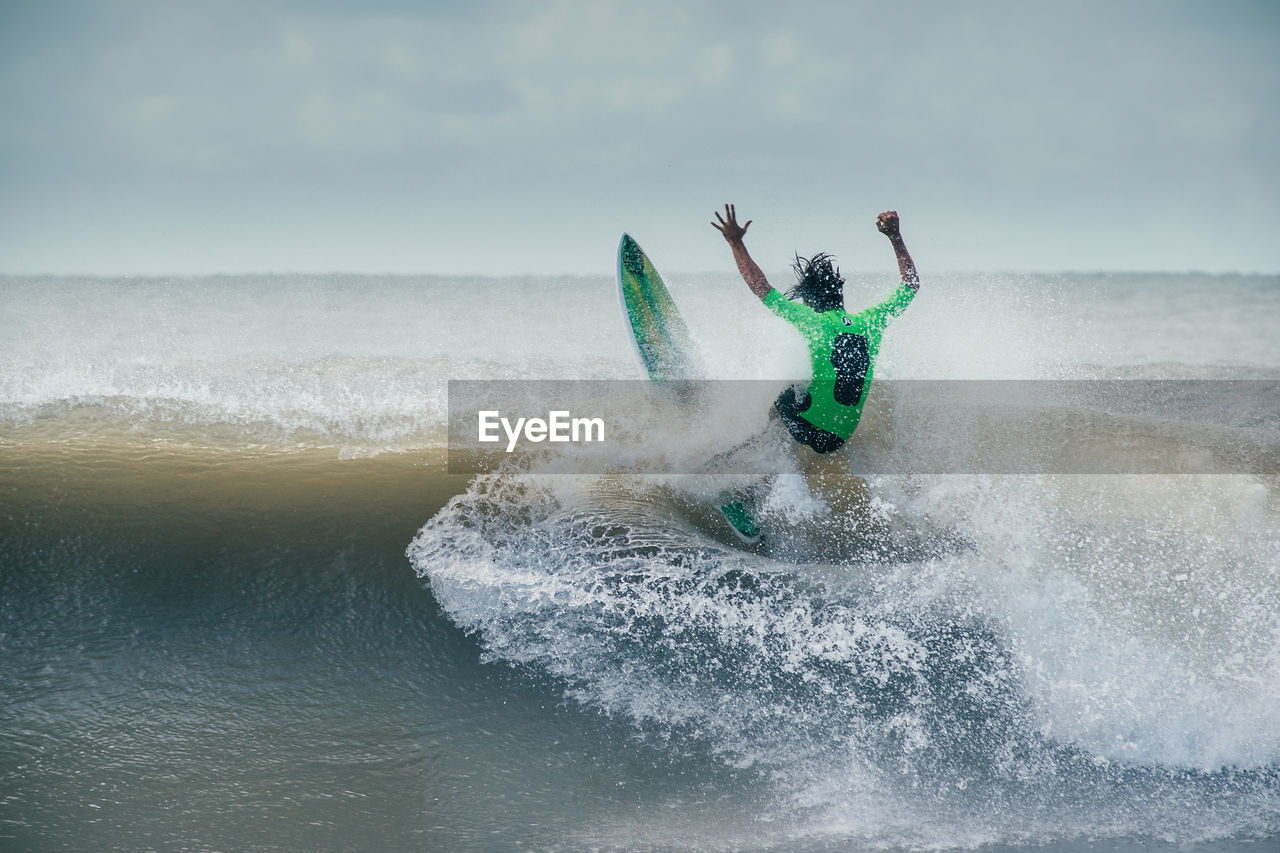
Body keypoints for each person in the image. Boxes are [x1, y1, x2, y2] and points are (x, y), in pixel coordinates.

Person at [712, 203, 920, 455]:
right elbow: (911, 284)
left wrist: (735, 242)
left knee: (784, 394)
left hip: (806, 424)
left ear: (808, 300)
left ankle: (754, 460)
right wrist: (895, 236)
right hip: (840, 437)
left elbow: (760, 286)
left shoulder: (808, 319)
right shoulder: (871, 321)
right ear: (839, 295)